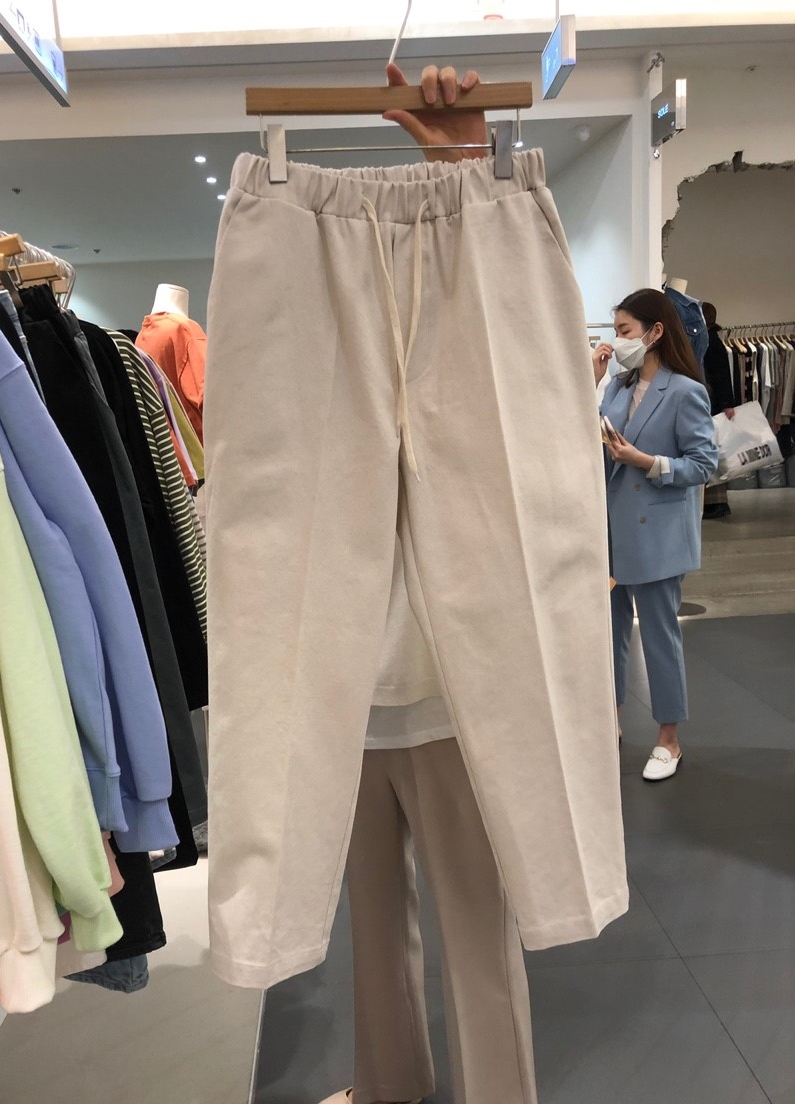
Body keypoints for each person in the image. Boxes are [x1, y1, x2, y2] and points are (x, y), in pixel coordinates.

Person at [319, 62, 539, 1104]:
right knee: (372, 939)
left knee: (479, 937)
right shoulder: (316, 363)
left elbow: (505, 313)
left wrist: (465, 163)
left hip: (453, 698)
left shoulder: (465, 366)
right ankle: (386, 1088)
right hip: (346, 703)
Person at [592, 289, 718, 782]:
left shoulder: (685, 391)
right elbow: (595, 446)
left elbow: (703, 465)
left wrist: (645, 461)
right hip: (610, 530)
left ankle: (669, 739)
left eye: (624, 331)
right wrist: (591, 382)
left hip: (657, 532)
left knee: (659, 636)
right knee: (609, 632)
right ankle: (611, 720)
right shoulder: (616, 387)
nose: (618, 341)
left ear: (655, 331)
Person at [700, 300, 736, 519]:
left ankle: (717, 503)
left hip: (714, 406)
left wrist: (727, 404)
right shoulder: (711, 340)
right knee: (715, 451)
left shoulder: (710, 342)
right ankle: (714, 502)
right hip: (715, 404)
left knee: (714, 452)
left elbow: (722, 375)